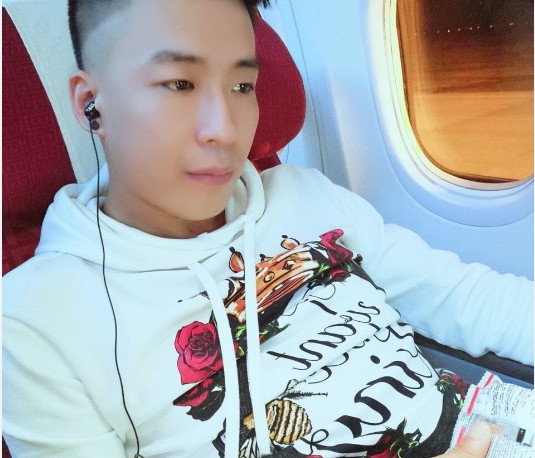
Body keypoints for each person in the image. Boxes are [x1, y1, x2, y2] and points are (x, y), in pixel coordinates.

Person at [2, 0, 532, 457]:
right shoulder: (38, 320)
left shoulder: (306, 195)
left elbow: (467, 298)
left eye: (242, 85)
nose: (224, 129)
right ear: (90, 104)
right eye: (179, 84)